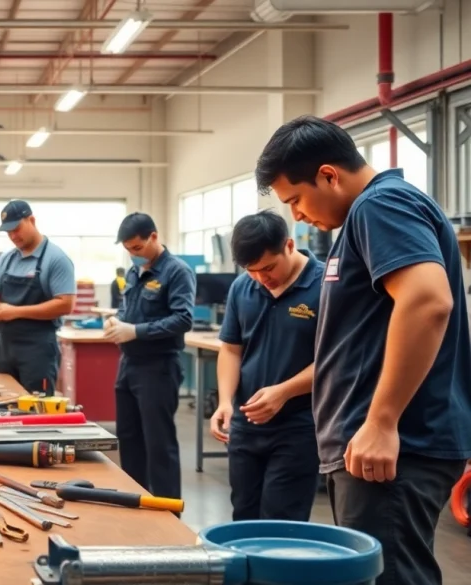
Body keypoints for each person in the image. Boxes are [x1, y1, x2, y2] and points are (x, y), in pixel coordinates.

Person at [255, 115, 471, 585]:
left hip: (394, 449)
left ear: (329, 175)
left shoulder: (382, 205)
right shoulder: (367, 215)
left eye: (296, 199)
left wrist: (382, 421)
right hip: (374, 449)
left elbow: (428, 300)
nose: (295, 214)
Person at [210, 210, 322, 522]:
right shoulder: (241, 288)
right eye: (252, 270)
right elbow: (231, 350)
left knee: (281, 521)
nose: (262, 278)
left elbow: (336, 360)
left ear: (289, 245)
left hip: (299, 427)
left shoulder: (326, 286)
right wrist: (224, 402)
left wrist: (284, 392)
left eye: (268, 267)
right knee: (243, 516)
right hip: (246, 426)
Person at [104, 212, 195, 501]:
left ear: (153, 237)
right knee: (129, 441)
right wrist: (116, 322)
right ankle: (135, 503)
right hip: (128, 366)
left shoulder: (176, 272)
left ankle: (168, 512)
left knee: (159, 445)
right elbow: (125, 308)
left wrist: (137, 331)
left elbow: (183, 319)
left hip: (158, 367)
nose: (133, 255)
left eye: (137, 248)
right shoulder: (133, 272)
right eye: (128, 250)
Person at [0, 200, 75, 394]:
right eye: (8, 232)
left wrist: (15, 312)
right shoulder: (7, 259)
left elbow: (65, 304)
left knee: (36, 411)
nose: (13, 236)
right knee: (3, 405)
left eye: (16, 229)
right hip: (5, 346)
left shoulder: (56, 259)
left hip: (38, 350)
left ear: (31, 220)